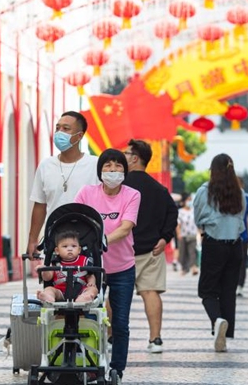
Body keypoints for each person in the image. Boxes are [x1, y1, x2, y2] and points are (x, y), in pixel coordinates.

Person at [74, 149, 140, 383]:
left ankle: (116, 369)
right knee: (89, 317)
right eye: (108, 166)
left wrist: (99, 240)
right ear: (100, 170)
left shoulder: (132, 195)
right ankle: (92, 365)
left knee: (120, 322)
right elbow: (76, 221)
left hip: (123, 267)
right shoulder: (86, 192)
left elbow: (125, 226)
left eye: (118, 166)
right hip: (92, 269)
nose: (113, 171)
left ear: (125, 170)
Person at [123, 139, 178, 354]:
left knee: (116, 294)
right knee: (151, 292)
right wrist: (165, 238)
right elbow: (172, 213)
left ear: (135, 158)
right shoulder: (159, 189)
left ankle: (110, 338)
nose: (123, 158)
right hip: (152, 250)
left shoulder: (120, 187)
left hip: (122, 250)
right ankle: (155, 339)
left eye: (126, 154)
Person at [27, 111, 100, 257]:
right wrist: (32, 239)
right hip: (56, 240)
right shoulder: (46, 165)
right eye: (57, 128)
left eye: (66, 129)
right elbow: (40, 205)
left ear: (79, 136)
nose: (60, 132)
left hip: (88, 238)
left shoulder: (95, 164)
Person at [193, 154, 245, 352]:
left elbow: (198, 218)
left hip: (214, 244)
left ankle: (217, 321)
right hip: (235, 246)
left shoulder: (204, 191)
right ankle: (223, 336)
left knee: (206, 291)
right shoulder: (239, 192)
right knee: (227, 291)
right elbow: (241, 222)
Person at [36, 230, 98, 303]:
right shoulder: (55, 263)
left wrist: (91, 282)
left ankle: (85, 297)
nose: (70, 249)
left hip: (81, 290)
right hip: (60, 291)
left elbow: (90, 275)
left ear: (79, 250)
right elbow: (47, 278)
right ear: (57, 250)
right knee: (49, 289)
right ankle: (48, 296)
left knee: (93, 289)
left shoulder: (85, 260)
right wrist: (44, 270)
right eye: (65, 246)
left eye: (74, 246)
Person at [235, 180, 248, 298]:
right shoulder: (227, 196)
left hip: (243, 235)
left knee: (242, 262)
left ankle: (240, 286)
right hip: (228, 235)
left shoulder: (247, 198)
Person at [177, 195, 199, 276]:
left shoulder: (194, 211)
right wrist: (179, 234)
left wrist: (200, 233)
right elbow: (178, 224)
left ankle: (193, 267)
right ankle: (184, 268)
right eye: (188, 200)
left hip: (192, 234)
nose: (189, 201)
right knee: (183, 252)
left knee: (192, 252)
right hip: (183, 235)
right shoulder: (180, 211)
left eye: (190, 200)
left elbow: (197, 223)